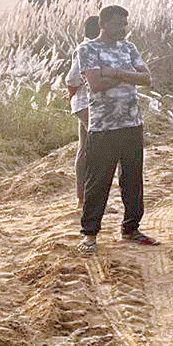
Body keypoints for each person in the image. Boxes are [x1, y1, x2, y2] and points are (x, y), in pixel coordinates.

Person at [76, 5, 158, 253]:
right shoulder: (88, 49)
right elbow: (96, 84)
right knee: (98, 181)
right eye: (117, 24)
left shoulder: (129, 48)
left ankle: (131, 228)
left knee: (133, 179)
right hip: (103, 126)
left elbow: (147, 78)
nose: (122, 29)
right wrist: (128, 76)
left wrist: (117, 73)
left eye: (124, 24)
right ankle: (89, 235)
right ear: (103, 24)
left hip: (132, 123)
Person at [66, 15, 100, 205]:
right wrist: (71, 95)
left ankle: (83, 198)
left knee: (85, 149)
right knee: (95, 149)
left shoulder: (95, 48)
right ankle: (87, 198)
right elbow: (73, 79)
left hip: (86, 104)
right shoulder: (86, 49)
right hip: (85, 103)